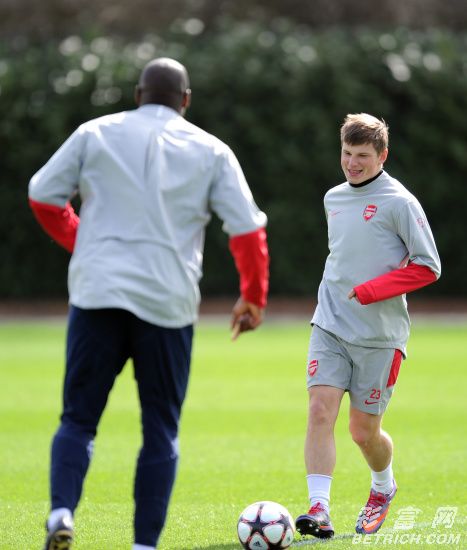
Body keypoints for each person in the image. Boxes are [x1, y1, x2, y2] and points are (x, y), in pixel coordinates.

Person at [29, 57, 269, 550]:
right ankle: (143, 545)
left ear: (138, 95)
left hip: (97, 294)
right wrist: (253, 297)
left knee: (78, 418)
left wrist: (83, 242)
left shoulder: (93, 132)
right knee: (160, 429)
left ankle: (61, 512)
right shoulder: (212, 150)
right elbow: (247, 230)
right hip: (166, 302)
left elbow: (43, 195)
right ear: (186, 101)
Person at [295, 113, 441, 539]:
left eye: (362, 155)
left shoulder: (400, 202)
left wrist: (373, 290)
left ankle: (382, 487)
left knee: (363, 433)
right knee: (319, 410)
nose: (352, 163)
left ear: (382, 156)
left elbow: (429, 266)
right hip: (330, 324)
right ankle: (319, 510)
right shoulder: (333, 198)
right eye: (347, 153)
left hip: (380, 337)